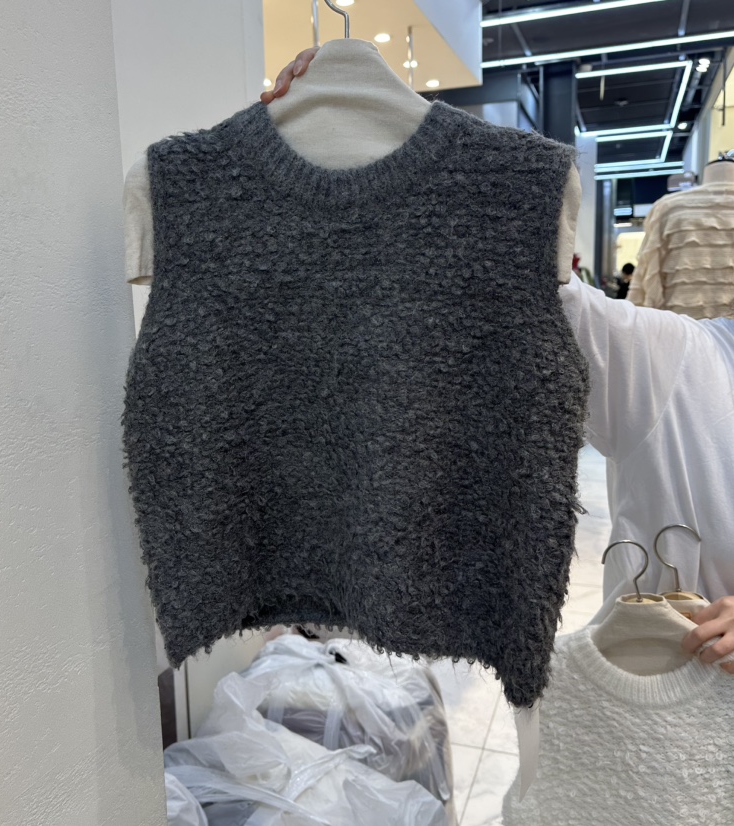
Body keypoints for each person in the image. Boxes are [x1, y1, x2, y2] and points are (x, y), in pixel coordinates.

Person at [260, 48, 734, 673]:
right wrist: (342, 126)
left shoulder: (675, 320)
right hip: (676, 370)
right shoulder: (683, 362)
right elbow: (521, 297)